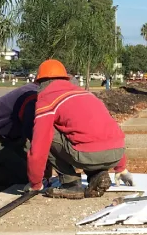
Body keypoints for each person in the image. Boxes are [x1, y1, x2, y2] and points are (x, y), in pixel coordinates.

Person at [28, 59, 133, 199]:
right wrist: (121, 167)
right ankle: (96, 174)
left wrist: (35, 183)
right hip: (117, 153)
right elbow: (106, 129)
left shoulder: (47, 99)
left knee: (47, 134)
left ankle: (70, 183)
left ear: (40, 82)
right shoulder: (86, 94)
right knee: (84, 135)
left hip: (88, 155)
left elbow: (39, 146)